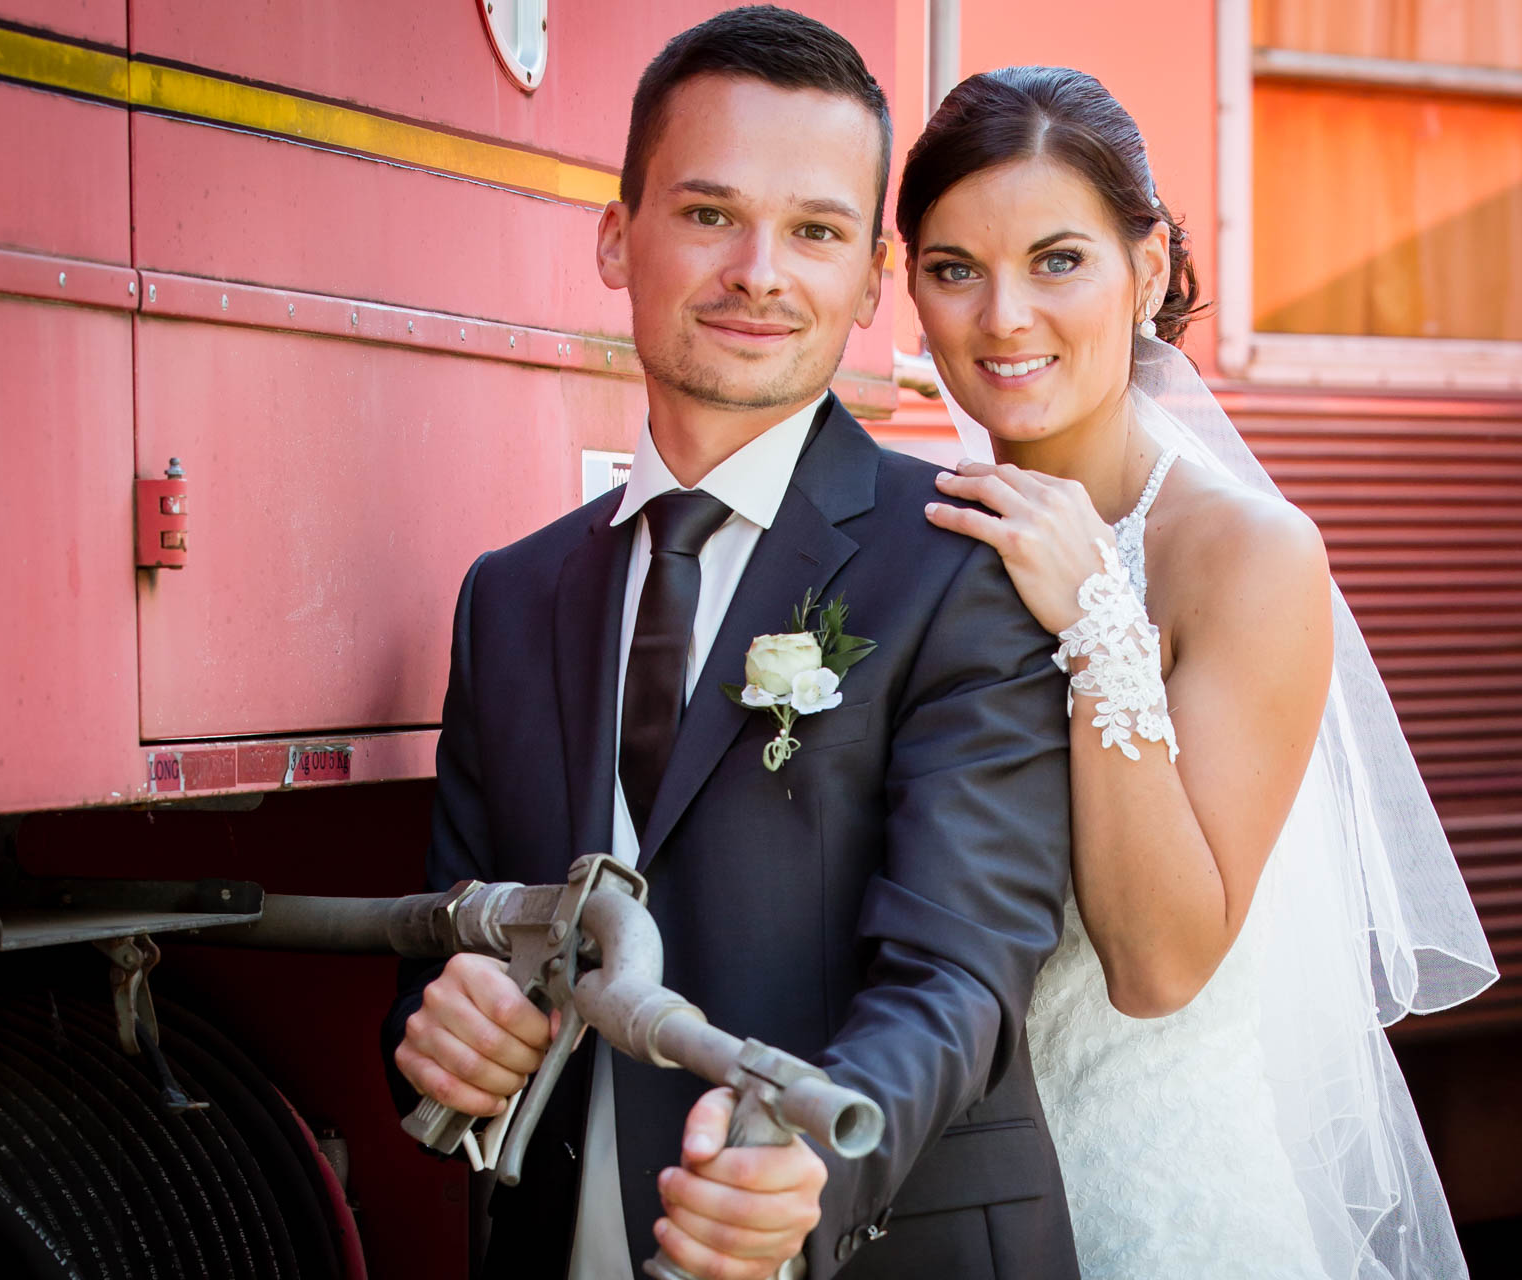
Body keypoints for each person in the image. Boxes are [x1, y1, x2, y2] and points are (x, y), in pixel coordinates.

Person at [382, 14, 1080, 1280]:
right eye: (710, 214)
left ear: (870, 280)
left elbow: (962, 972)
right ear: (616, 235)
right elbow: (461, 936)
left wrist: (816, 1156)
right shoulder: (508, 596)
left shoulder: (962, 574)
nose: (761, 270)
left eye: (814, 231)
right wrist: (442, 1032)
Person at [898, 67, 1499, 1278]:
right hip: (940, 1210)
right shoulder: (921, 527)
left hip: (1156, 1209)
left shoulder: (1247, 554)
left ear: (1154, 268)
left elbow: (1161, 962)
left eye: (1058, 259)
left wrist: (1097, 620)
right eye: (954, 268)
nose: (1004, 315)